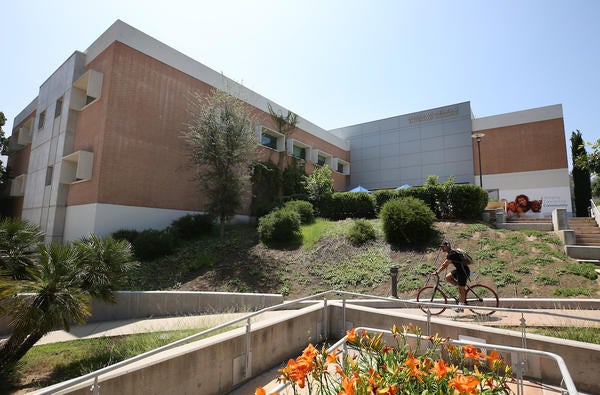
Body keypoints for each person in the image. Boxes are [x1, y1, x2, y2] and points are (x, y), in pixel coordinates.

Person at [432, 241, 470, 312]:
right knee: (448, 277)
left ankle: (460, 307)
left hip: (463, 272)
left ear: (448, 246)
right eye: (441, 247)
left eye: (443, 247)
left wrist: (437, 272)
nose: (442, 248)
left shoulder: (451, 254)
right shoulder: (452, 252)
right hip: (459, 270)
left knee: (461, 290)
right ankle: (462, 291)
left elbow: (445, 265)